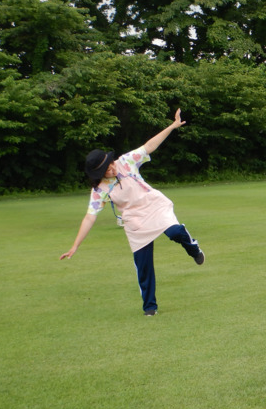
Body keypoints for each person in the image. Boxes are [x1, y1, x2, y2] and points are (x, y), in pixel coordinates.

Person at [60, 109, 204, 316]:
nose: (111, 169)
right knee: (143, 265)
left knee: (174, 233)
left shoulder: (125, 161)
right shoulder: (99, 189)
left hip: (153, 205)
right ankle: (150, 308)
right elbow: (90, 217)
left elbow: (149, 146)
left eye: (110, 164)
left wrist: (172, 126)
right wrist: (75, 246)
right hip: (134, 221)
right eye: (106, 170)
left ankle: (193, 248)